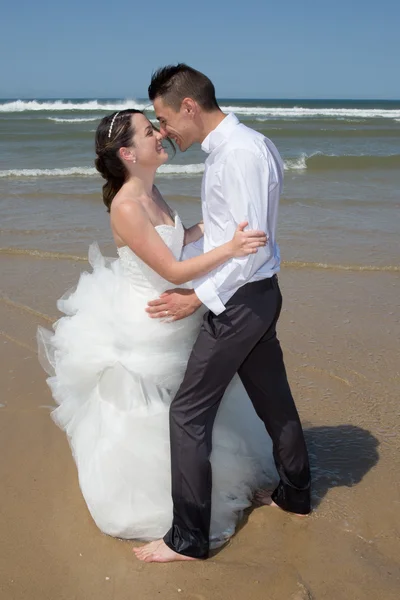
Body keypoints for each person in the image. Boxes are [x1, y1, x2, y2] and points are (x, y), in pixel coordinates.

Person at [37, 108, 276, 548]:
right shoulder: (126, 206)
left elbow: (178, 238)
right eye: (149, 132)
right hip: (148, 319)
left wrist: (220, 224)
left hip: (175, 313)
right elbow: (174, 268)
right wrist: (230, 248)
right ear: (128, 153)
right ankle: (155, 504)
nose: (159, 135)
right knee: (151, 412)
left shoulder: (152, 189)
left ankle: (207, 482)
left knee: (195, 407)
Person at [134, 65, 311, 564]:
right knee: (273, 400)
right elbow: (232, 232)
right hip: (254, 295)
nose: (163, 130)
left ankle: (188, 540)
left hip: (240, 300)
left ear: (188, 106)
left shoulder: (238, 155)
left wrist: (197, 298)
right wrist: (192, 239)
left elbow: (250, 248)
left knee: (187, 414)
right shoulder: (244, 146)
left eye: (164, 118)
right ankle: (295, 495)